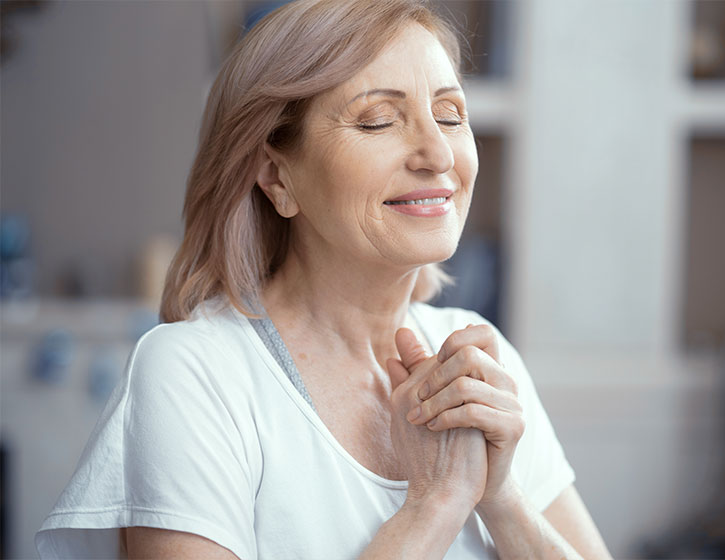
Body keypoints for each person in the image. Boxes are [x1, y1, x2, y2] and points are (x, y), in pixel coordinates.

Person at [36, 1, 612, 558]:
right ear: (276, 175)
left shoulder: (477, 353)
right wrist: (432, 507)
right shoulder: (195, 373)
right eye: (378, 120)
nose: (438, 153)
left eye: (450, 115)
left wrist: (503, 496)